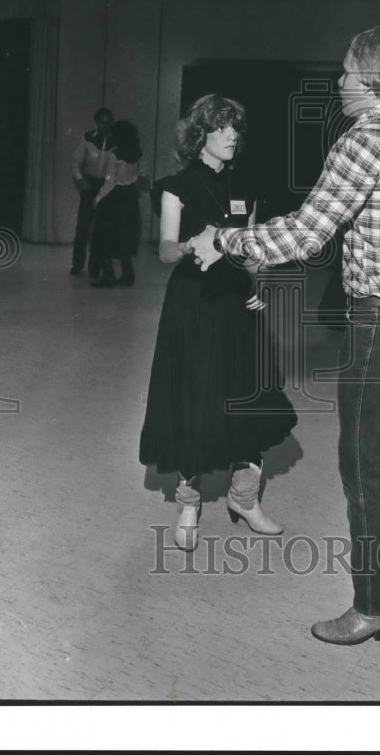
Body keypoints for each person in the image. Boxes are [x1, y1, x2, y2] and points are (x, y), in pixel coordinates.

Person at [189, 25, 380, 646]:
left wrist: (224, 240)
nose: (338, 82)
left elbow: (306, 234)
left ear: (373, 81)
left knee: (362, 463)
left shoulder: (365, 141)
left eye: (345, 72)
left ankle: (377, 606)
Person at [139, 94, 297, 552]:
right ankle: (189, 503)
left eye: (236, 128)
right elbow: (166, 250)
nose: (232, 136)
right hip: (193, 304)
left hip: (235, 301)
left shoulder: (246, 185)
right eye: (222, 128)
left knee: (247, 393)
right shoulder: (175, 186)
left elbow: (251, 252)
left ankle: (245, 498)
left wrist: (257, 288)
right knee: (196, 396)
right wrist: (195, 244)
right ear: (200, 135)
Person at [90, 119, 144, 288]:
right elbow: (141, 176)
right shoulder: (139, 153)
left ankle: (109, 277)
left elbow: (110, 182)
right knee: (125, 238)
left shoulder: (114, 154)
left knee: (105, 238)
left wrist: (97, 199)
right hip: (130, 197)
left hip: (114, 199)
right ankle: (128, 275)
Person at [70, 107, 115, 279]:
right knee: (83, 227)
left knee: (104, 229)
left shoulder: (116, 141)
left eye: (108, 122)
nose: (105, 125)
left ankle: (100, 265)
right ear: (97, 123)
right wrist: (81, 180)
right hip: (89, 186)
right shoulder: (87, 138)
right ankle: (77, 264)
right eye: (102, 122)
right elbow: (76, 163)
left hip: (107, 187)